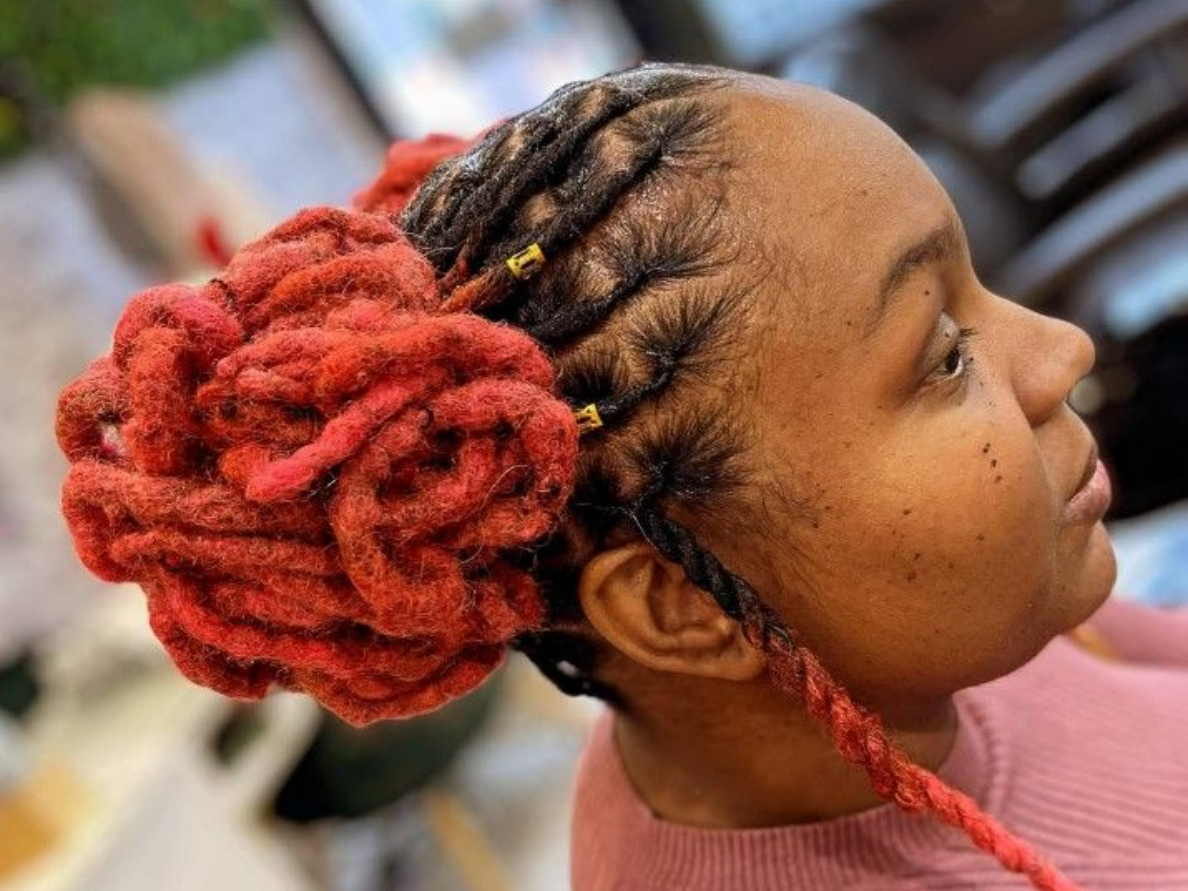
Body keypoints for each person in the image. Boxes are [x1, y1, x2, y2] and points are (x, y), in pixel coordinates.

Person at [54, 63, 1187, 890]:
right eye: (943, 354)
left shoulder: (930, 628)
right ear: (682, 605)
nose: (1061, 348)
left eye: (973, 289)